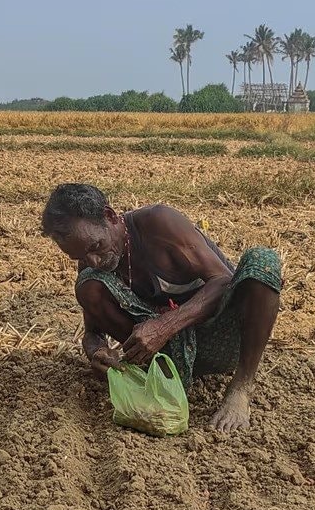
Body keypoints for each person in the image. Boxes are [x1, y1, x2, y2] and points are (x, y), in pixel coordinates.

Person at [41, 183, 282, 432]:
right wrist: (97, 352)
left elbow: (222, 281)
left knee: (263, 262)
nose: (93, 260)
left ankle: (241, 388)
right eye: (80, 257)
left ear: (110, 216)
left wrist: (165, 325)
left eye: (95, 246)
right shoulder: (92, 265)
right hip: (170, 355)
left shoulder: (158, 224)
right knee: (88, 284)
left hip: (220, 337)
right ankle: (163, 377)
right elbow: (92, 333)